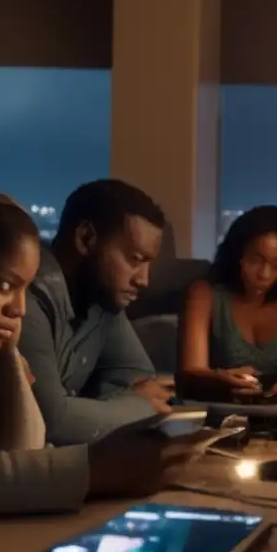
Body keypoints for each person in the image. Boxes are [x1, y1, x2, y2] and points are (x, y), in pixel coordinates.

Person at [0, 186, 199, 520]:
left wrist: (8, 360)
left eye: (24, 289)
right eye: (3, 285)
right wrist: (92, 470)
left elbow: (22, 446)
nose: (19, 310)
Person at [19, 179, 173, 446]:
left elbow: (138, 377)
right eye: (134, 259)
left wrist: (85, 414)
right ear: (86, 238)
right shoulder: (24, 298)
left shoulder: (102, 300)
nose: (144, 280)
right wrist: (136, 407)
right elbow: (50, 420)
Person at [176, 205, 277, 404]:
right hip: (218, 415)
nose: (264, 275)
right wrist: (219, 382)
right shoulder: (204, 293)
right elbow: (189, 377)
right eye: (255, 261)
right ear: (237, 255)